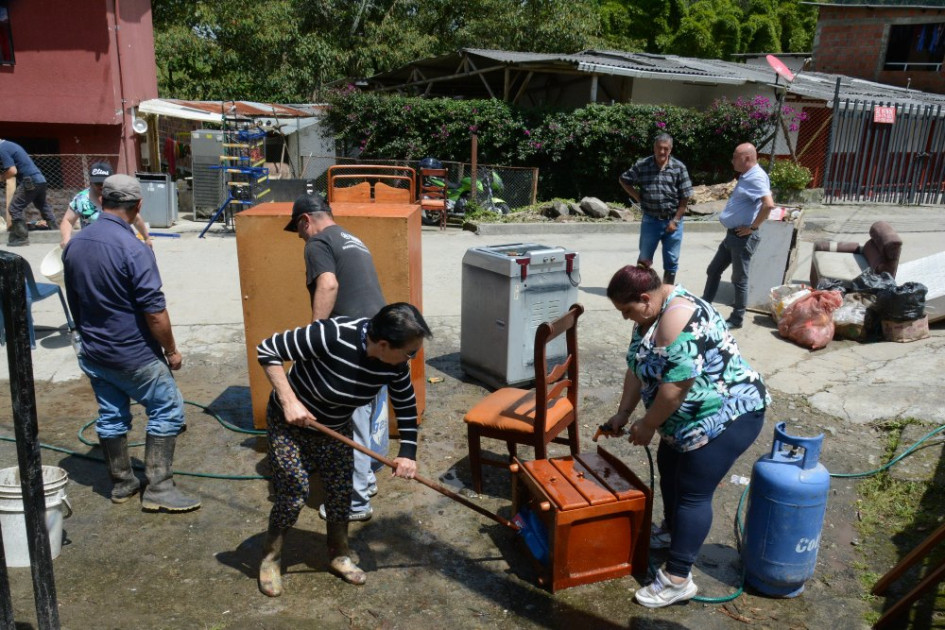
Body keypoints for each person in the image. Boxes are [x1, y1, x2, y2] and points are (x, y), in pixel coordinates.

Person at [600, 263, 769, 608]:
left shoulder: (676, 323)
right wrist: (624, 413)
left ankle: (678, 578)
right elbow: (637, 366)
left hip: (727, 415)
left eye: (627, 310)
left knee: (693, 491)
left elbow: (675, 391)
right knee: (669, 466)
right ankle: (675, 532)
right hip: (685, 420)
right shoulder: (651, 313)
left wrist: (647, 425)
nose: (625, 319)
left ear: (645, 298)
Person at [256, 302, 432, 594]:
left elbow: (404, 404)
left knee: (340, 492)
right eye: (409, 351)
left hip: (334, 428)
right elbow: (267, 349)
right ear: (384, 344)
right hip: (291, 425)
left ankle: (338, 555)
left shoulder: (396, 365)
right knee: (294, 492)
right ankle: (270, 559)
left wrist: (408, 453)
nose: (411, 357)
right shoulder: (333, 334)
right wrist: (289, 400)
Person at [62, 174, 199, 513]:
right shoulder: (134, 248)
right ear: (138, 205)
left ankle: (123, 483)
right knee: (167, 408)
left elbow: (74, 300)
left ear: (102, 200)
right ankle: (159, 488)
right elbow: (155, 313)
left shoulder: (75, 244)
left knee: (111, 415)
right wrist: (171, 351)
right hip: (132, 354)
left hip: (94, 351)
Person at [284, 193, 389, 523]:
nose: (300, 236)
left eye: (299, 230)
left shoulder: (317, 243)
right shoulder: (353, 239)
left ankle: (355, 502)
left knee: (352, 424)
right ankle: (367, 479)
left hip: (353, 345)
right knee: (371, 414)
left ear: (306, 221)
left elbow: (328, 284)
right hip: (381, 337)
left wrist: (314, 337)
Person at [701, 142, 775, 329]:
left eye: (735, 156)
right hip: (732, 236)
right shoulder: (747, 175)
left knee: (739, 279)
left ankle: (737, 318)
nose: (732, 160)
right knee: (713, 270)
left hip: (742, 238)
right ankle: (704, 306)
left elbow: (768, 204)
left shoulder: (756, 177)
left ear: (747, 158)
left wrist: (753, 227)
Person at [618, 133, 694, 285]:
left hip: (672, 221)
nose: (662, 152)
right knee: (644, 259)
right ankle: (641, 290)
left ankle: (666, 292)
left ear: (670, 150)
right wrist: (639, 198)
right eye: (659, 148)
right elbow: (624, 180)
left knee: (671, 260)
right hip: (650, 220)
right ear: (654, 147)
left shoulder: (679, 168)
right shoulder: (643, 164)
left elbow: (685, 197)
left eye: (666, 149)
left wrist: (676, 220)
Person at [60, 162, 152, 248]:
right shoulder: (81, 199)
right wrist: (66, 239)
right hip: (91, 246)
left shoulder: (120, 196)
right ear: (91, 181)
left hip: (119, 246)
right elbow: (68, 220)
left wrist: (146, 238)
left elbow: (136, 219)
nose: (101, 186)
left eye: (104, 182)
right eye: (97, 183)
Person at [0, 138, 59, 246]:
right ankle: (55, 230)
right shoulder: (10, 145)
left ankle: (21, 237)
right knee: (42, 205)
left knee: (14, 208)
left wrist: (1, 177)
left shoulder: (1, 148)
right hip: (41, 179)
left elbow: (12, 171)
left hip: (30, 181)